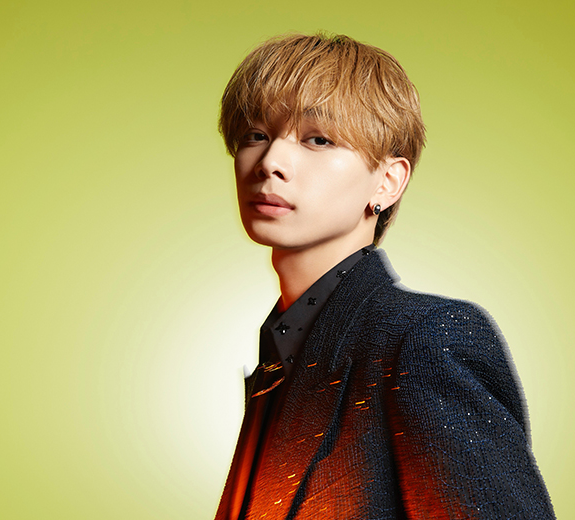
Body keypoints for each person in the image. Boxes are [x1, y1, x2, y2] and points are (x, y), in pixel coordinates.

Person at [215, 33, 555, 519]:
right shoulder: (280, 355)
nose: (270, 164)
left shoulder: (422, 340)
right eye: (255, 135)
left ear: (388, 181)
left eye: (318, 139)